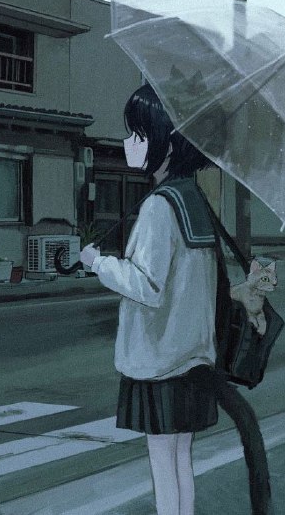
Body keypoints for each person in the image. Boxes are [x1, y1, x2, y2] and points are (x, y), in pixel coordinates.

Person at [80, 83, 219, 515]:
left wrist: (99, 263)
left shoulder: (160, 206)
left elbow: (147, 286)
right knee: (182, 458)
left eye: (138, 135)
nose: (129, 143)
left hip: (160, 361)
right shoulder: (193, 199)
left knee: (162, 460)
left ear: (166, 143)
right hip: (193, 355)